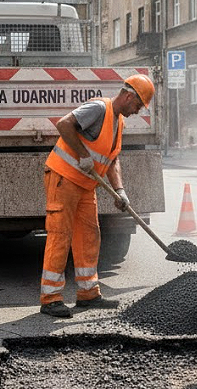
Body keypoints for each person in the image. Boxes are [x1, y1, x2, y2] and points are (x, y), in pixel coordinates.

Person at [39, 74, 155, 318]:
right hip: (64, 178)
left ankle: (88, 295)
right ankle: (51, 299)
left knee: (89, 237)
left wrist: (120, 190)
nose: (136, 111)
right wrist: (82, 155)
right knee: (60, 235)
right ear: (128, 96)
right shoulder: (98, 108)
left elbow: (112, 160)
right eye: (137, 105)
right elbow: (63, 124)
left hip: (85, 185)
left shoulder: (118, 122)